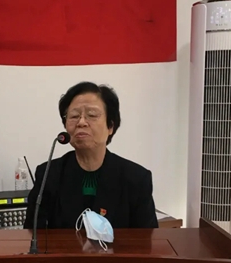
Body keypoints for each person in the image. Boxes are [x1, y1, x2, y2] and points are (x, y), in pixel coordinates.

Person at [23, 81, 158, 229]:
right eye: (74, 116)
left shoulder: (136, 179)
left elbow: (147, 239)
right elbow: (32, 233)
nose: (81, 122)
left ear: (110, 126)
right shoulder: (48, 175)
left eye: (92, 115)